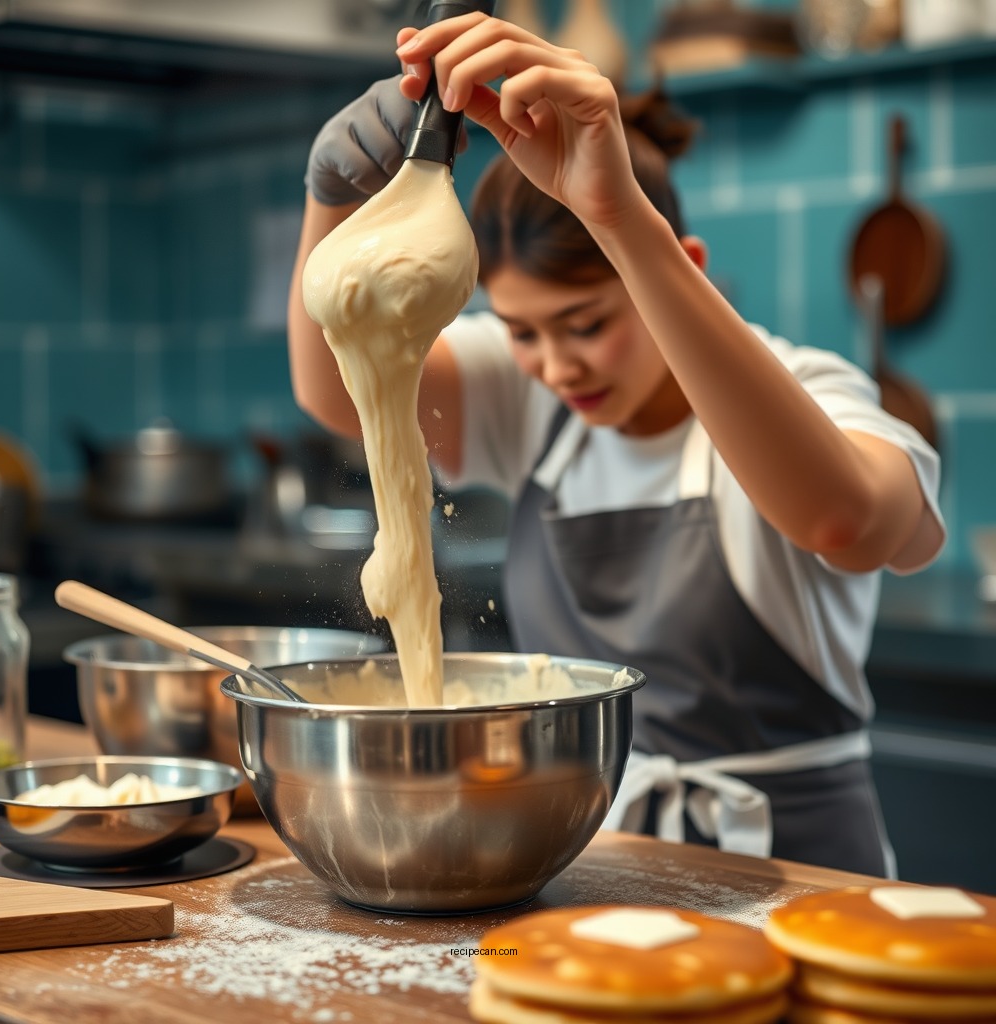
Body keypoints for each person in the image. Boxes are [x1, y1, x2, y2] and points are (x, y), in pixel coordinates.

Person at [287, 14, 945, 877]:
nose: (558, 364)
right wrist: (331, 199)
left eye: (588, 324)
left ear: (684, 267)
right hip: (604, 861)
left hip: (801, 876)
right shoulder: (538, 401)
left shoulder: (806, 389)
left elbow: (847, 522)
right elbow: (336, 393)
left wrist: (620, 219)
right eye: (522, 331)